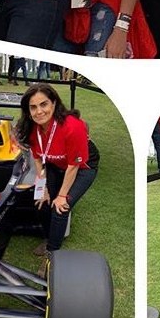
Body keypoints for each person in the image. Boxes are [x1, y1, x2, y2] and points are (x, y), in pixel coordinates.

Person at [16, 83, 99, 276]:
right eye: (33, 107)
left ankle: (52, 257)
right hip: (54, 164)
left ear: (54, 103)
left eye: (43, 104)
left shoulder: (73, 126)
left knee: (60, 208)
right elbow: (38, 158)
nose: (39, 111)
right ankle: (48, 239)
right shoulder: (32, 127)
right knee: (40, 201)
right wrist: (42, 187)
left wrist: (61, 196)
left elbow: (74, 165)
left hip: (82, 167)